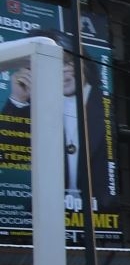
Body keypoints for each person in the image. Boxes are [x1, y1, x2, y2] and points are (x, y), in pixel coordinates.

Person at [4, 49, 111, 206]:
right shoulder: (32, 108)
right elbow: (7, 157)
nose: (61, 70)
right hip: (43, 214)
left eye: (66, 63)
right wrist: (18, 100)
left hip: (100, 216)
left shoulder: (107, 106)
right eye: (47, 67)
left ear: (84, 64)